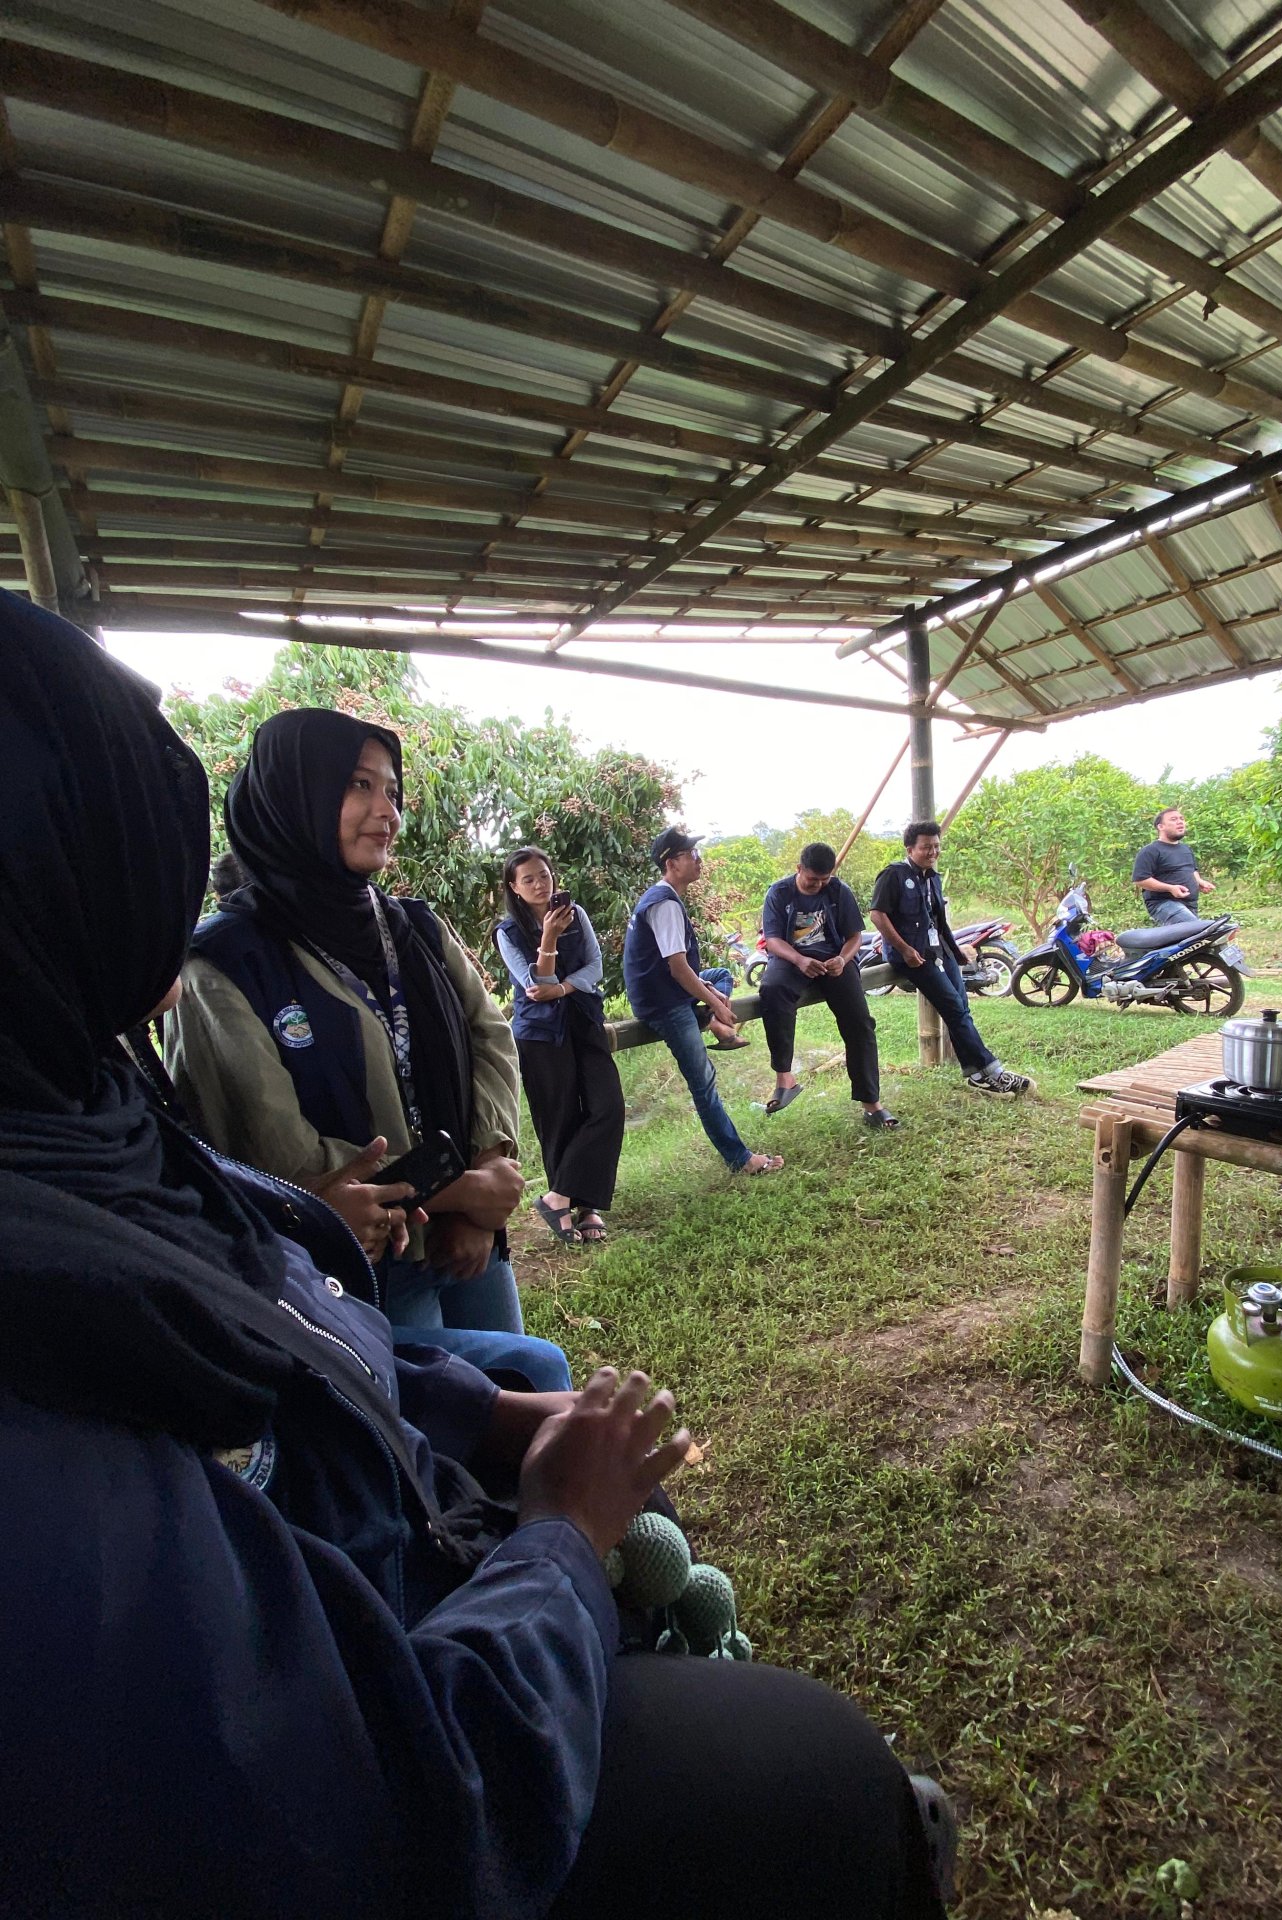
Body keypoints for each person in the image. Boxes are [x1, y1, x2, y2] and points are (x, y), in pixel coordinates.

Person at [0, 589, 950, 1920]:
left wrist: (477, 1369)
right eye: (113, 827)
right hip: (395, 1665)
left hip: (415, 1411)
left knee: (529, 1370)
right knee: (815, 1782)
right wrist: (557, 1536)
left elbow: (291, 1294)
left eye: (393, 789)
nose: (382, 813)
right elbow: (375, 1807)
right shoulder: (51, 1421)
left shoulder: (84, 1112)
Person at [166, 707, 570, 1392]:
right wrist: (456, 1195)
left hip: (474, 1235)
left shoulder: (410, 925)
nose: (387, 811)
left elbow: (489, 1035)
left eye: (392, 791)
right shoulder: (224, 964)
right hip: (357, 1263)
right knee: (450, 1435)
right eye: (358, 786)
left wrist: (486, 1167)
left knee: (523, 1410)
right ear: (292, 796)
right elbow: (270, 1149)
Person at [622, 827, 783, 1176]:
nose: (699, 860)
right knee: (703, 1082)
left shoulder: (665, 896)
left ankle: (713, 1023)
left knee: (721, 975)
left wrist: (713, 997)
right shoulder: (663, 904)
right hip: (663, 1003)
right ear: (671, 862)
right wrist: (721, 1005)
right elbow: (678, 969)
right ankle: (740, 1159)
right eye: (691, 854)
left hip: (669, 988)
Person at [497, 846, 626, 1246]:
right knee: (559, 1119)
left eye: (544, 875)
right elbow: (535, 985)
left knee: (608, 1106)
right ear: (515, 888)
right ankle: (582, 1207)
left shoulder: (578, 914)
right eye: (528, 879)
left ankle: (557, 1198)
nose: (539, 884)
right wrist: (549, 937)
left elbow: (595, 966)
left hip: (583, 1021)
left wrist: (566, 988)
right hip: (539, 1035)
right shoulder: (508, 932)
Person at [871, 821, 1034, 1098]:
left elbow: (939, 921)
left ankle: (976, 1075)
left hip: (940, 952)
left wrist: (956, 952)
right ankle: (992, 1071)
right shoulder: (893, 875)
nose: (933, 852)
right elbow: (878, 915)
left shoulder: (933, 877)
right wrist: (905, 949)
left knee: (962, 1008)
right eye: (926, 847)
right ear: (910, 848)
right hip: (913, 957)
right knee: (954, 1011)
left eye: (936, 846)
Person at [758, 841, 899, 1129]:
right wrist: (798, 960)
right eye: (813, 880)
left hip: (833, 961)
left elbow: (855, 937)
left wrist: (843, 959)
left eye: (825, 879)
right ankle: (785, 1078)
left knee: (860, 1022)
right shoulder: (779, 892)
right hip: (790, 959)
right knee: (772, 990)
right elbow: (773, 940)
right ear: (799, 869)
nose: (819, 885)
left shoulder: (838, 890)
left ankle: (872, 1105)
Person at [1133, 806, 1216, 924]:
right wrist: (1170, 888)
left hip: (1190, 904)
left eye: (1181, 819)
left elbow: (1192, 870)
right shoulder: (1150, 851)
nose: (1180, 822)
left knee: (1191, 939)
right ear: (1160, 827)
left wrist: (1199, 882)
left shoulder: (1185, 848)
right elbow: (1140, 880)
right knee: (1195, 929)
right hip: (1164, 904)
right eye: (1173, 819)